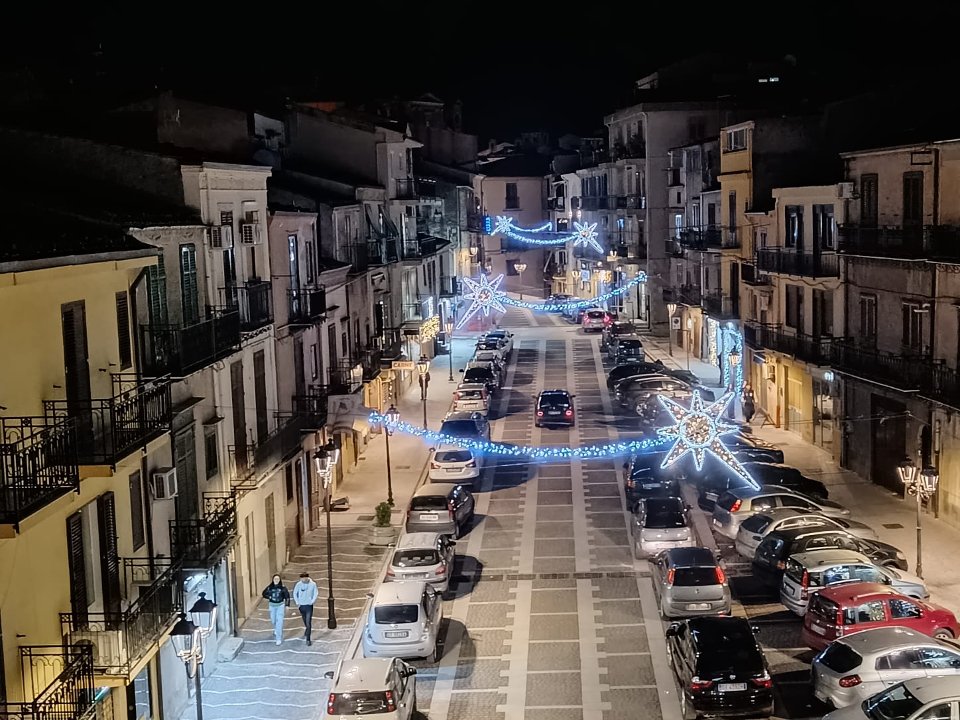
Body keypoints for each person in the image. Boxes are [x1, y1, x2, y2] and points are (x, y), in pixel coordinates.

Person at [262, 574, 290, 645]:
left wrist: (287, 605)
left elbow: (287, 597)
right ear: (273, 580)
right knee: (273, 620)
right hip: (272, 606)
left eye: (278, 579)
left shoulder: (283, 588)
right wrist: (269, 597)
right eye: (275, 579)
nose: (276, 580)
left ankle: (278, 638)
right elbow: (264, 593)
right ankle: (276, 629)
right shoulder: (270, 587)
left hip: (280, 605)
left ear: (280, 580)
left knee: (279, 622)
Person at [292, 571, 319, 645]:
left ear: (307, 578)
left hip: (309, 605)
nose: (303, 580)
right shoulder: (298, 584)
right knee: (304, 620)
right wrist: (297, 602)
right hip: (301, 605)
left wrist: (312, 601)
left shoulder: (313, 584)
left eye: (304, 578)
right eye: (302, 579)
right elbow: (295, 593)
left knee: (308, 621)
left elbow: (315, 593)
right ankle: (307, 629)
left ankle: (308, 639)